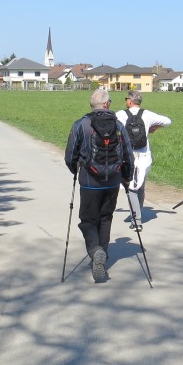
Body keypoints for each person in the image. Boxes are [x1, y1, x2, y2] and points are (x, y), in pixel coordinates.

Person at [64, 88, 134, 282]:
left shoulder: (81, 125)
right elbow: (128, 155)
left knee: (88, 220)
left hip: (89, 182)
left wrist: (75, 170)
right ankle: (102, 255)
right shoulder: (118, 125)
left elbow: (70, 156)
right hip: (113, 182)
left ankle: (96, 251)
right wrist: (126, 177)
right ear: (106, 104)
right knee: (105, 218)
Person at [115, 90, 172, 229]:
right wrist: (154, 127)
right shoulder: (147, 115)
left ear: (129, 101)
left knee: (131, 188)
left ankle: (137, 221)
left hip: (130, 157)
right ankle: (137, 213)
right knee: (140, 187)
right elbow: (168, 121)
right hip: (145, 157)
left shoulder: (121, 115)